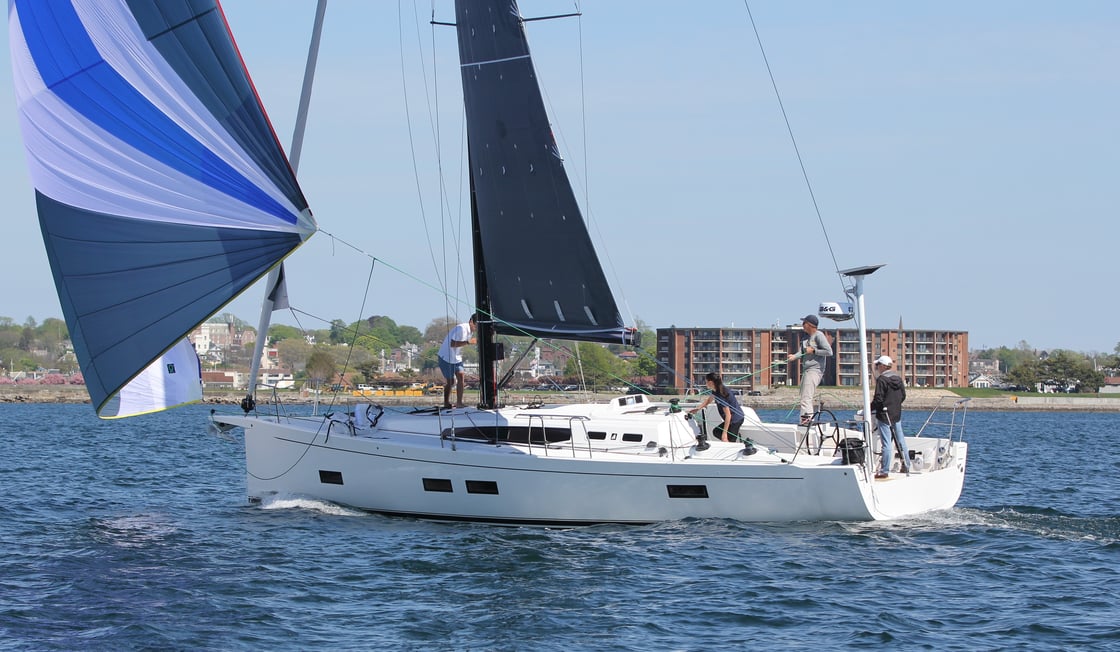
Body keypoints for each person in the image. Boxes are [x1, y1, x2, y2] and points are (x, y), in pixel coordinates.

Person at [787, 314, 832, 425]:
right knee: (803, 397)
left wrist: (814, 351)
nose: (802, 325)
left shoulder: (819, 335)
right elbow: (802, 352)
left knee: (806, 398)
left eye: (804, 323)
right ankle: (805, 420)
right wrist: (794, 356)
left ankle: (807, 422)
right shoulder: (805, 338)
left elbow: (829, 352)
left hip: (815, 370)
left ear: (810, 325)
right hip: (806, 370)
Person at [871, 355, 909, 479]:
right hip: (896, 414)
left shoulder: (882, 380)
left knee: (886, 443)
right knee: (901, 441)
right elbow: (903, 396)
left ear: (882, 366)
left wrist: (868, 409)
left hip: (884, 415)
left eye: (878, 365)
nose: (877, 368)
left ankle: (884, 470)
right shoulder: (898, 378)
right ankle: (906, 465)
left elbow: (878, 399)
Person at [687, 372, 744, 451]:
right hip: (732, 419)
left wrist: (724, 434)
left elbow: (728, 415)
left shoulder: (721, 393)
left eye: (706, 381)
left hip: (735, 419)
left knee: (726, 438)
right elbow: (709, 400)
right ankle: (729, 446)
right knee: (717, 432)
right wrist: (698, 409)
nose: (705, 383)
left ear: (710, 382)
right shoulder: (716, 390)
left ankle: (732, 453)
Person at [437, 314, 477, 409]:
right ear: (471, 321)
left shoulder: (470, 332)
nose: (476, 327)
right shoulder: (461, 329)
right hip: (446, 357)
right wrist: (468, 342)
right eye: (475, 325)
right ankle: (446, 402)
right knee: (451, 382)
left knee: (461, 377)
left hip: (456, 358)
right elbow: (452, 343)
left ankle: (459, 403)